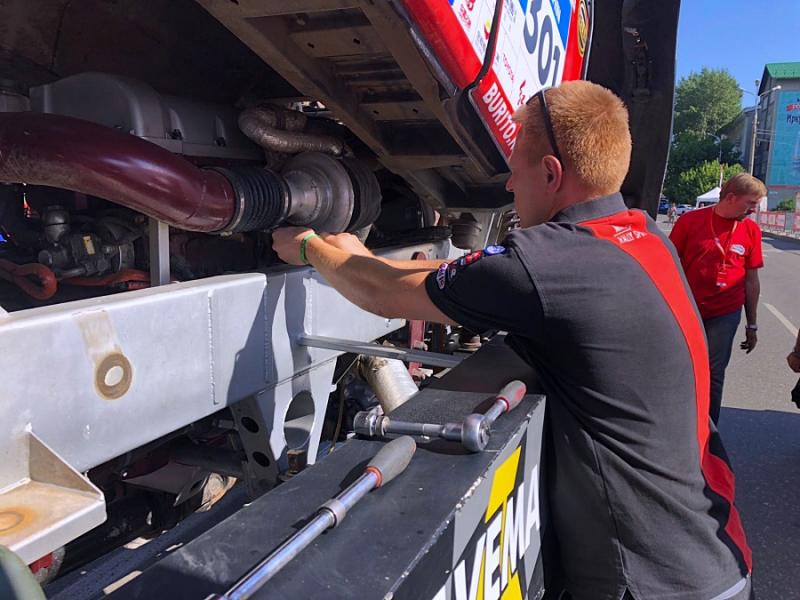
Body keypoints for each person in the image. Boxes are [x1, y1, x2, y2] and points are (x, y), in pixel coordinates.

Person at [273, 81, 752, 600]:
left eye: (516, 169)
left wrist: (311, 247)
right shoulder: (641, 237)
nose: (508, 185)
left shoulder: (549, 264)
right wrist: (367, 259)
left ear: (550, 173)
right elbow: (477, 273)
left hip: (651, 583)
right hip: (713, 553)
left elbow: (383, 294)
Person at [669, 174, 765, 424]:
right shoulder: (690, 221)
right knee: (682, 367)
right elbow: (668, 266)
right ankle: (679, 425)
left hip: (725, 312)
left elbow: (751, 280)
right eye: (750, 203)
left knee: (714, 372)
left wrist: (752, 324)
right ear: (731, 198)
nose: (753, 210)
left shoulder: (751, 230)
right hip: (688, 309)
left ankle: (708, 429)